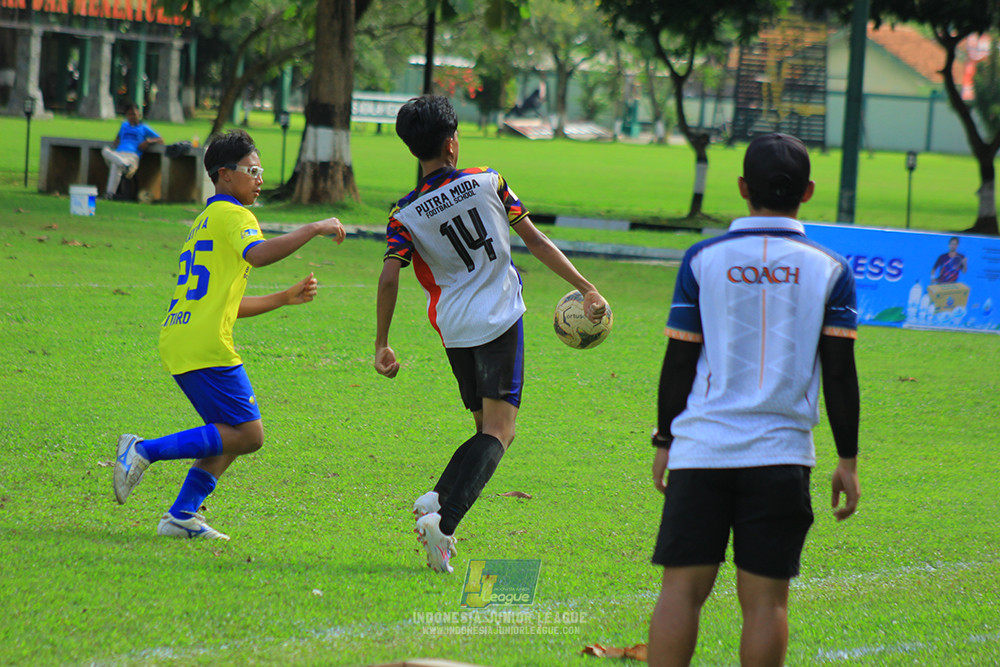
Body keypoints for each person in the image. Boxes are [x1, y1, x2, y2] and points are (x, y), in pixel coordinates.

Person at [647, 133, 861, 666]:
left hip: (702, 451)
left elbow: (678, 362)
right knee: (766, 604)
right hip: (782, 456)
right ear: (807, 191)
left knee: (680, 591)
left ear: (742, 187)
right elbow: (839, 373)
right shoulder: (831, 269)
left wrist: (665, 439)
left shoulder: (703, 259)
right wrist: (848, 460)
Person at [374, 94, 608, 574]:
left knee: (486, 429)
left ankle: (437, 498)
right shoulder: (489, 181)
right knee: (502, 432)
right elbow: (535, 240)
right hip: (500, 318)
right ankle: (445, 521)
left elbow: (390, 275)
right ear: (452, 143)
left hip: (455, 328)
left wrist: (382, 342)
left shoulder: (404, 213)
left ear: (415, 149)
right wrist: (584, 286)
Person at [113, 129, 346, 541]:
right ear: (224, 174)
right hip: (205, 345)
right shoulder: (236, 216)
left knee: (229, 433)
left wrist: (283, 298)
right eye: (252, 170)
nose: (259, 178)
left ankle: (181, 515)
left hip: (182, 338)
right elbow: (258, 254)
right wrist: (312, 227)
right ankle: (142, 449)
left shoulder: (206, 220)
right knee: (249, 434)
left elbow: (225, 304)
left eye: (261, 171)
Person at [101, 102, 163, 200]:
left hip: (131, 156)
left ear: (139, 114)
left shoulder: (143, 127)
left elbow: (160, 139)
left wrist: (148, 141)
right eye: (129, 114)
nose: (132, 116)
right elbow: (117, 138)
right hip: (119, 155)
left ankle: (109, 194)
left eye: (134, 114)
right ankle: (124, 165)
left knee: (115, 165)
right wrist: (117, 142)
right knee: (105, 151)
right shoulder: (124, 125)